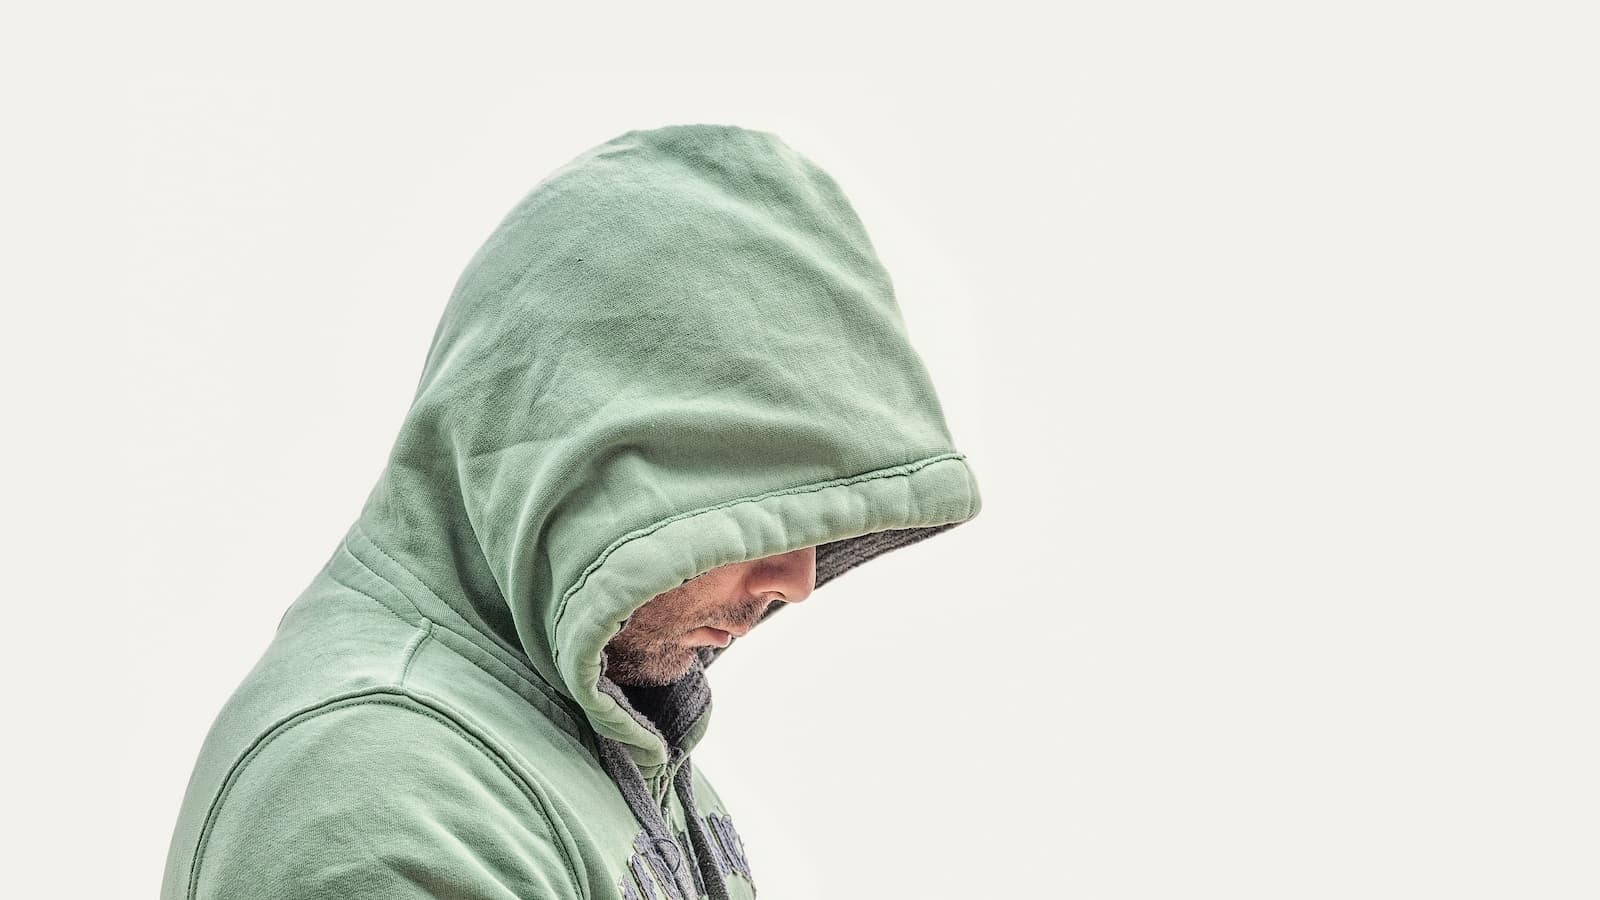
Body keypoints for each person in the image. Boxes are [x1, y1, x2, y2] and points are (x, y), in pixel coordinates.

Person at [159, 122, 983, 900]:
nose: (798, 579)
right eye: (757, 512)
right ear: (585, 462)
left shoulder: (595, 737)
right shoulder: (381, 785)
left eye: (822, 524)